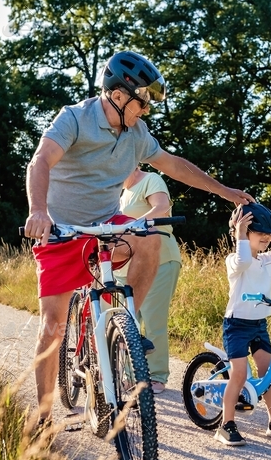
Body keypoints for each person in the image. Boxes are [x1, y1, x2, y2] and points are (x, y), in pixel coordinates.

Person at [24, 50, 253, 424]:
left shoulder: (136, 133)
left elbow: (174, 165)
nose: (145, 110)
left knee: (150, 237)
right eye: (142, 101)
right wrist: (38, 211)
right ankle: (44, 419)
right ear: (118, 96)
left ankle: (123, 328)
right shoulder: (74, 118)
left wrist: (224, 191)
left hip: (104, 225)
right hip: (62, 229)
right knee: (52, 327)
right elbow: (41, 161)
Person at [216, 203, 271, 447]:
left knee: (268, 374)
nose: (264, 238)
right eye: (258, 233)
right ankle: (226, 424)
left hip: (258, 325)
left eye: (266, 234)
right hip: (237, 326)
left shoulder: (267, 260)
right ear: (242, 233)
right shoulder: (234, 260)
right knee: (239, 375)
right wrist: (240, 234)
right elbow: (242, 260)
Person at [116, 166, 181, 393]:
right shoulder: (122, 193)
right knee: (127, 322)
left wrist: (133, 225)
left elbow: (162, 207)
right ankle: (129, 375)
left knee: (153, 320)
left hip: (162, 259)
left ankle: (156, 377)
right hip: (133, 264)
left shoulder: (150, 179)